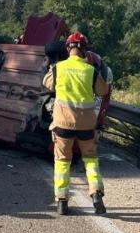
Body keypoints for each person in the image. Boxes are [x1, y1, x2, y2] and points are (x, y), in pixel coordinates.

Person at [42, 31, 110, 216]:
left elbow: (47, 84)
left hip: (63, 123)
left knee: (62, 161)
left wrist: (53, 70)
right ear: (84, 50)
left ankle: (62, 201)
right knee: (90, 160)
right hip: (87, 125)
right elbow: (103, 90)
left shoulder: (59, 67)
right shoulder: (91, 70)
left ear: (68, 48)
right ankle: (96, 194)